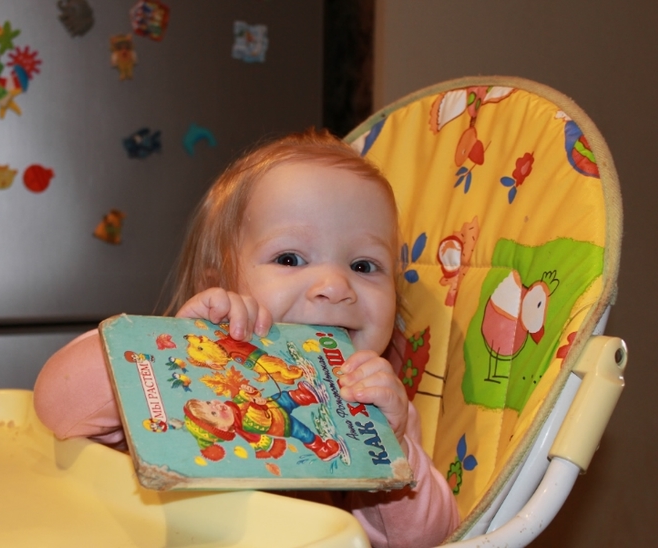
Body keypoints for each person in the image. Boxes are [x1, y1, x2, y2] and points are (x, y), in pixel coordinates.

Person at [33, 128, 460, 547]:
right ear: (216, 284)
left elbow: (432, 540)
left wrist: (393, 445)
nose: (334, 286)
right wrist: (169, 349)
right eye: (289, 259)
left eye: (364, 266)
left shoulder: (382, 410)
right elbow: (55, 407)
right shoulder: (170, 362)